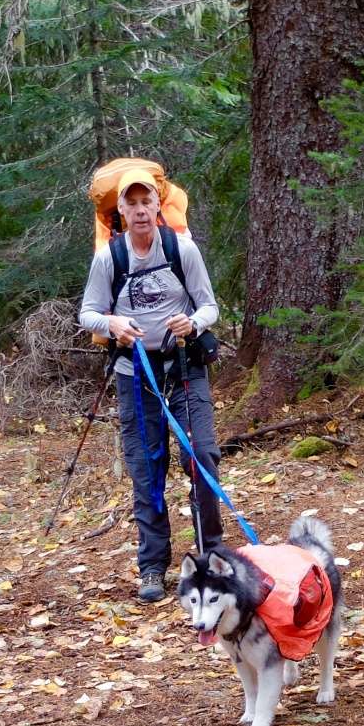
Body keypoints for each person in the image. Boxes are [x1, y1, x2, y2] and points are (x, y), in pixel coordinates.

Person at [80, 168, 223, 603]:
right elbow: (86, 314)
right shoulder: (110, 258)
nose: (140, 211)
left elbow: (209, 306)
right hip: (134, 375)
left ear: (158, 206)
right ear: (119, 211)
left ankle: (211, 556)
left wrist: (192, 322)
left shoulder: (182, 249)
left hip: (183, 368)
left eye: (147, 202)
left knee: (201, 456)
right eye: (132, 204)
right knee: (146, 468)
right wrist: (112, 323)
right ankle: (153, 566)